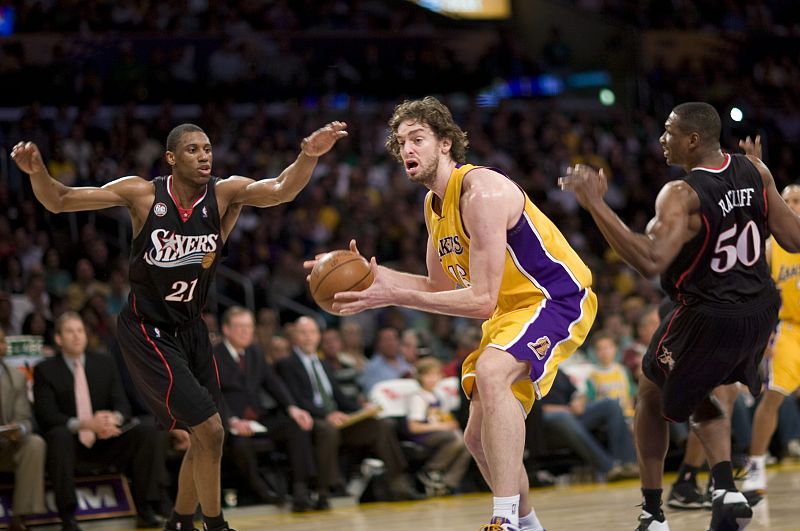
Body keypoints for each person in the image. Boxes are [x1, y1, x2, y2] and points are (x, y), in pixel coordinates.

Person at [11, 120, 347, 531]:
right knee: (211, 429)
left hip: (192, 329)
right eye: (193, 150)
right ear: (171, 158)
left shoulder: (223, 193)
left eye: (207, 148)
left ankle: (179, 521)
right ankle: (216, 524)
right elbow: (60, 200)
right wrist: (37, 173)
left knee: (203, 434)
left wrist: (308, 155)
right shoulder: (142, 194)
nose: (204, 156)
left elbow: (281, 188)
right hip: (147, 329)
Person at [321, 96, 597, 531]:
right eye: (400, 142)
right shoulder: (434, 206)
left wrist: (393, 295)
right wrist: (375, 280)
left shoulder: (481, 191)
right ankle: (528, 525)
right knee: (476, 439)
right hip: (511, 312)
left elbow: (480, 300)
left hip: (553, 297)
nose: (407, 149)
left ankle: (503, 519)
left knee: (491, 372)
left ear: (445, 143)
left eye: (418, 139)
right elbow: (439, 287)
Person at [560, 104, 800, 531]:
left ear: (692, 140)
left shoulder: (682, 193)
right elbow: (794, 238)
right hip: (758, 312)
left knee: (651, 395)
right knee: (693, 385)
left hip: (708, 312)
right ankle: (724, 488)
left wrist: (596, 204)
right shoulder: (756, 171)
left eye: (669, 132)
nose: (662, 139)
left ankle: (653, 515)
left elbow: (650, 261)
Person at [33, 312, 162, 531]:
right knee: (58, 435)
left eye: (80, 331)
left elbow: (123, 405)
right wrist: (85, 424)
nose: (77, 336)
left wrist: (113, 419)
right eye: (70, 332)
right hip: (71, 444)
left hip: (106, 438)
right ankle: (68, 516)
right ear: (58, 339)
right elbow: (47, 416)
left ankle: (145, 508)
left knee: (147, 431)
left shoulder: (104, 363)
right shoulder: (45, 370)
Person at [277, 316, 423, 502]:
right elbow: (297, 400)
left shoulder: (323, 364)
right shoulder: (287, 364)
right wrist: (326, 414)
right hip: (312, 420)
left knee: (381, 425)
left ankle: (398, 481)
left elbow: (338, 397)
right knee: (327, 430)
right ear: (294, 336)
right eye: (303, 333)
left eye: (312, 332)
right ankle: (327, 488)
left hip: (337, 419)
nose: (308, 337)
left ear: (318, 336)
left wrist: (362, 409)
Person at [214, 306, 319, 512]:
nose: (246, 332)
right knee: (239, 444)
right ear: (226, 329)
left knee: (294, 426)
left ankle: (300, 490)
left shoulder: (255, 352)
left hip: (258, 417)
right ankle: (261, 490)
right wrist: (232, 420)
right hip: (229, 421)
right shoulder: (214, 355)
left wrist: (292, 408)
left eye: (249, 327)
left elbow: (273, 383)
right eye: (240, 327)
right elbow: (212, 393)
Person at [743, 183, 800, 498]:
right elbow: (758, 296)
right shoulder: (770, 246)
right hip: (791, 329)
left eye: (797, 200)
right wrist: (761, 335)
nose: (791, 204)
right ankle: (755, 467)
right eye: (787, 200)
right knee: (773, 397)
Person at [540, 369, 638, 481]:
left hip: (571, 415)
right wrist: (567, 409)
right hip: (545, 422)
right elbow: (532, 408)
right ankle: (609, 468)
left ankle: (627, 465)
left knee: (611, 404)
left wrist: (579, 401)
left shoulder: (554, 368)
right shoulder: (528, 371)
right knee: (563, 417)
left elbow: (576, 393)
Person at [0, 327, 47, 531]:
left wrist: (20, 429)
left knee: (34, 443)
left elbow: (25, 419)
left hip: (5, 445)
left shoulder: (16, 377)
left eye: (1, 341)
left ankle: (20, 517)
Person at [407, 356, 473, 495]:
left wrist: (449, 423)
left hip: (440, 433)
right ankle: (431, 470)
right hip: (424, 436)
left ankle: (448, 483)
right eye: (427, 375)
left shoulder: (438, 395)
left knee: (467, 445)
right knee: (455, 440)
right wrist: (442, 427)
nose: (432, 379)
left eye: (435, 374)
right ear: (419, 376)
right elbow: (414, 427)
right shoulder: (418, 397)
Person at [359, 327, 414, 394]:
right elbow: (372, 393)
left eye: (393, 339)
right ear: (378, 344)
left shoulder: (406, 360)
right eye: (386, 340)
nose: (390, 343)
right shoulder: (371, 368)